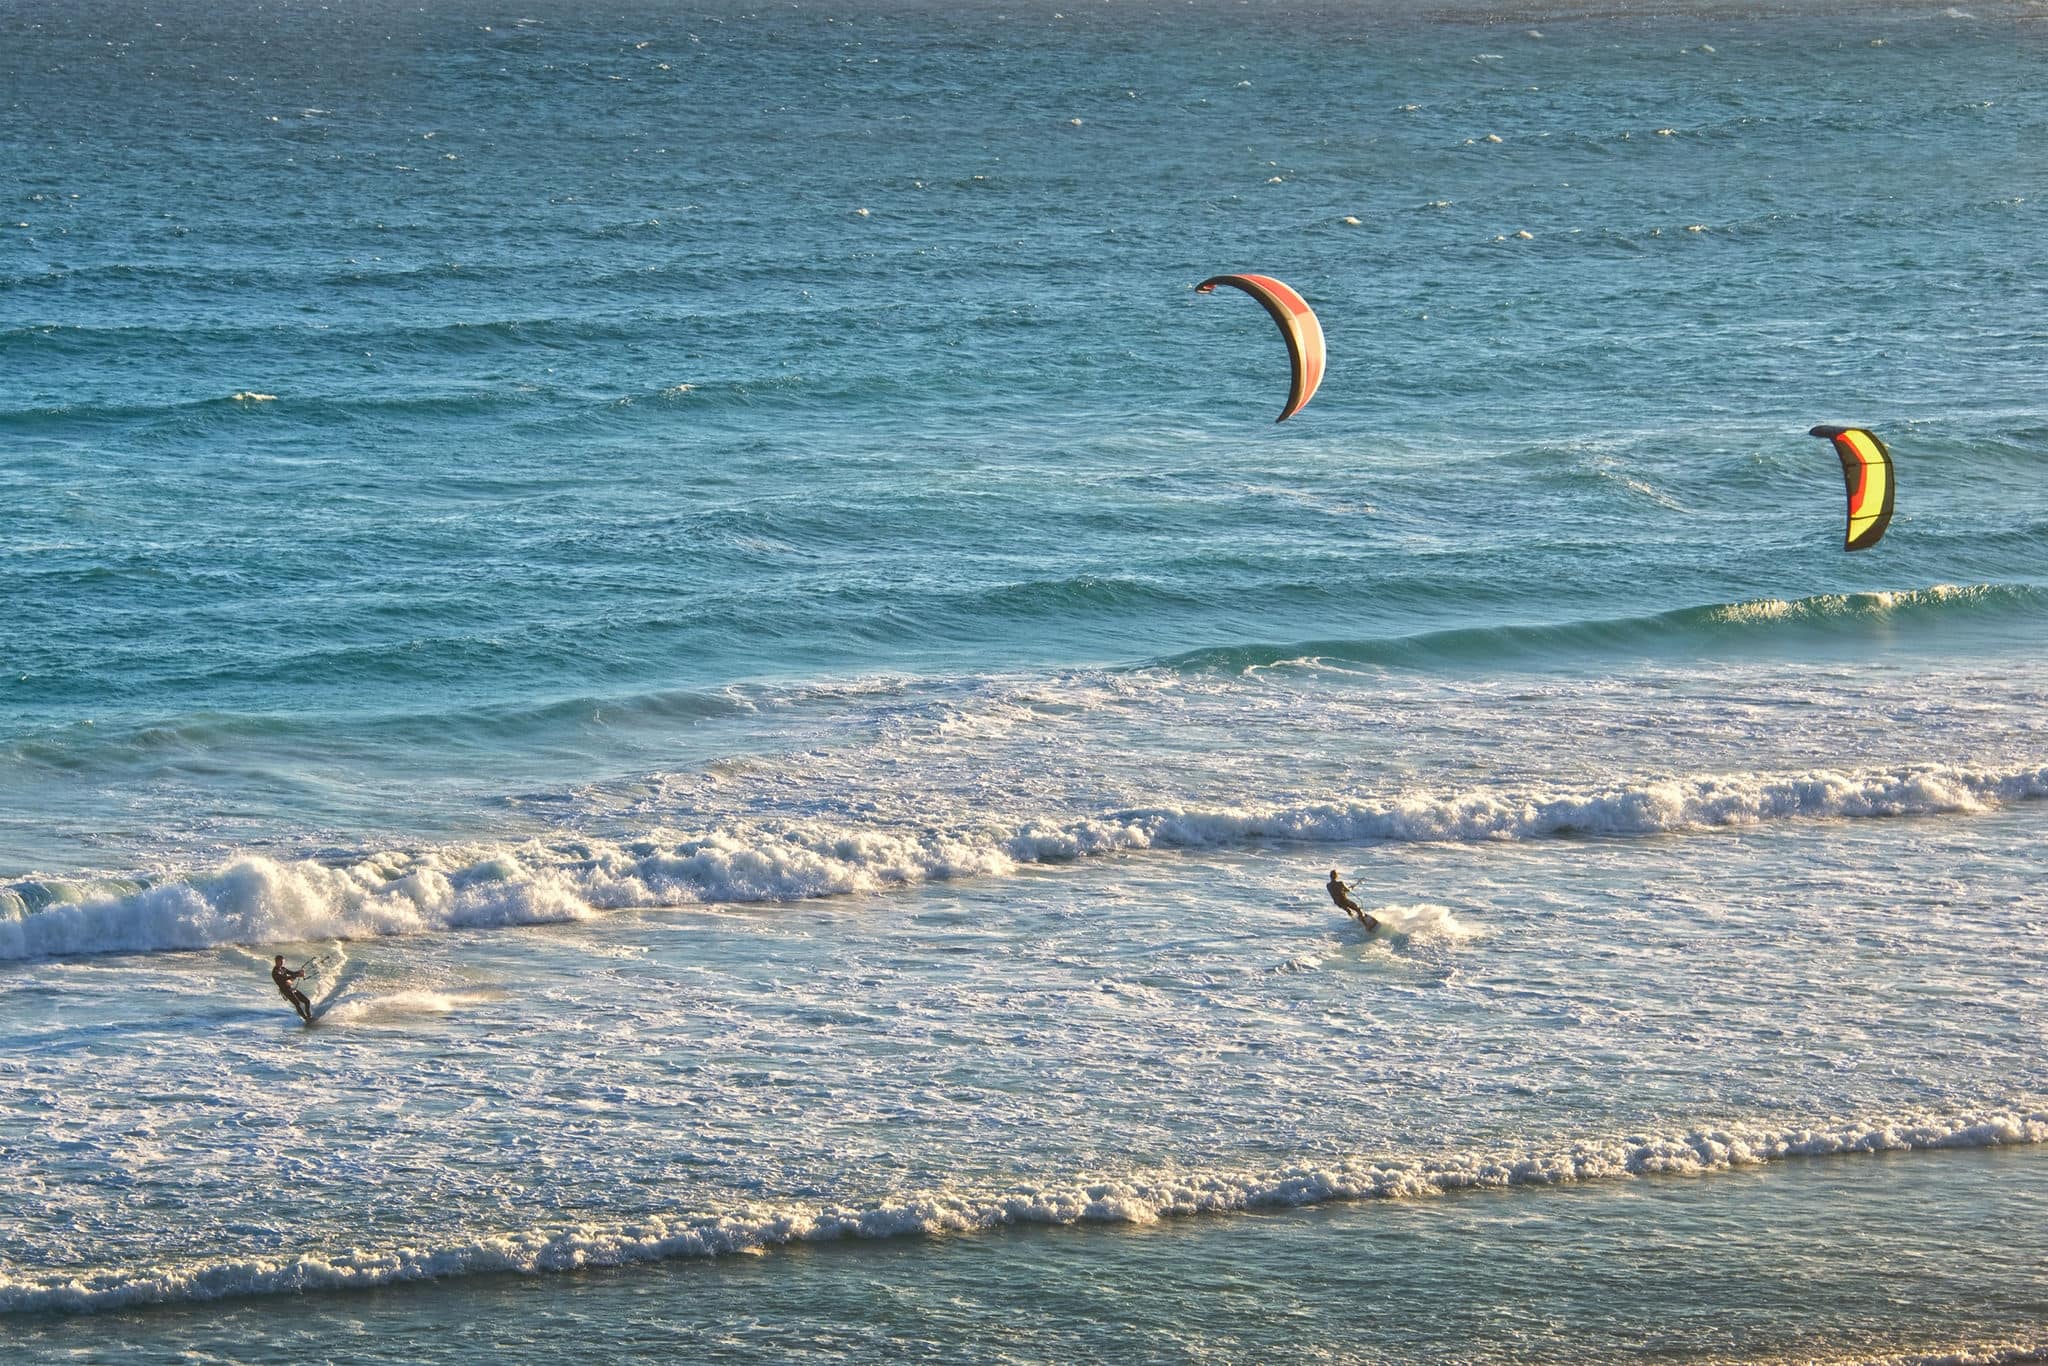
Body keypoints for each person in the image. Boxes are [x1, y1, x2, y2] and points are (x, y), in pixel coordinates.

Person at [272, 955, 315, 1024]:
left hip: (290, 988)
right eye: (281, 962)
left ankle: (309, 1017)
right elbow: (284, 978)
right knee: (297, 1003)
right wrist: (297, 975)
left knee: (307, 1001)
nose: (282, 963)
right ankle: (306, 1019)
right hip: (285, 990)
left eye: (283, 961)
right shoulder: (275, 972)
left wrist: (299, 972)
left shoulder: (283, 969)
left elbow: (292, 973)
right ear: (277, 961)